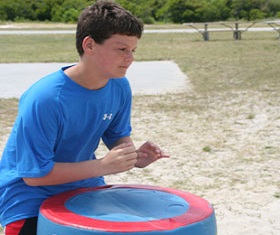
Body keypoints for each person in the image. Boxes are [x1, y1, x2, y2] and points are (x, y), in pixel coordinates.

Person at [0, 1, 169, 234]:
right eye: (121, 49)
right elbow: (33, 177)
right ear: (89, 45)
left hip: (85, 186)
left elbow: (117, 137)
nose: (130, 58)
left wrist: (131, 155)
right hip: (29, 199)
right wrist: (103, 166)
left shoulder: (119, 85)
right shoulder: (46, 98)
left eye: (133, 50)